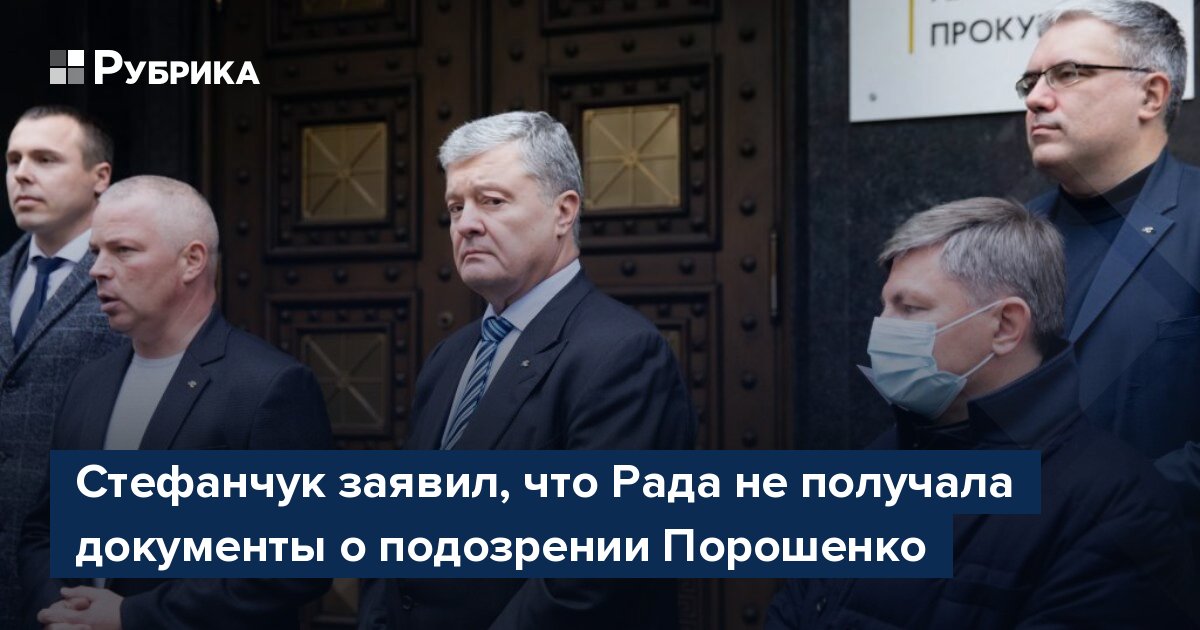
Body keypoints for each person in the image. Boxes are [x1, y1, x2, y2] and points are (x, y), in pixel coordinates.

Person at [767, 198, 1198, 628]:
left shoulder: (1115, 509)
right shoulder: (875, 463)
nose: (882, 328)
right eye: (885, 306)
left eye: (910, 308)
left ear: (1006, 326)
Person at [357, 111, 696, 629]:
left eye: (492, 201)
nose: (466, 224)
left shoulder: (623, 354)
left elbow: (592, 570)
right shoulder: (450, 357)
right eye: (456, 207)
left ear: (563, 212)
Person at [19, 175, 333, 629]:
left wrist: (131, 616)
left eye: (123, 250)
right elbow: (44, 531)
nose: (97, 270)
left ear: (192, 260)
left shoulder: (269, 387)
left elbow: (298, 563)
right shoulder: (89, 384)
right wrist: (60, 611)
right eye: (95, 252)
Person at [1020, 0, 1200, 515]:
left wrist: (1094, 509)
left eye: (1068, 74)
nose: (1035, 99)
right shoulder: (1008, 238)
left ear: (1150, 94)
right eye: (1029, 82)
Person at [0, 105, 125, 628]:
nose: (22, 174)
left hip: (78, 581)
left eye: (45, 159)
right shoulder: (4, 274)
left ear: (100, 177)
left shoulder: (132, 280)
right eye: (14, 160)